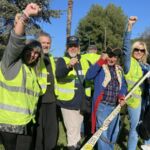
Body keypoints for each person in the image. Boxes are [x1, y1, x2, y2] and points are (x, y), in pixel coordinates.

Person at [0, 3, 41, 150]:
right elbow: (16, 41)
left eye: (37, 53)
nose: (33, 55)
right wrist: (26, 15)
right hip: (9, 125)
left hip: (26, 123)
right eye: (30, 50)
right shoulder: (10, 63)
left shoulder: (31, 72)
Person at [85, 47, 127, 150]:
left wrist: (121, 96)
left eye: (114, 57)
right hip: (102, 106)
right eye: (110, 56)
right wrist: (101, 60)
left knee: (113, 133)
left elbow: (123, 86)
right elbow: (88, 76)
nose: (112, 59)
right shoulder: (100, 67)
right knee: (103, 134)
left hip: (115, 107)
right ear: (106, 56)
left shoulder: (119, 70)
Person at [56, 35, 91, 150]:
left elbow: (93, 73)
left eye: (75, 46)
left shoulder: (85, 60)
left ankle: (76, 147)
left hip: (82, 103)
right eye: (70, 46)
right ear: (67, 48)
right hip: (68, 104)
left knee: (77, 132)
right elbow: (59, 74)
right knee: (72, 133)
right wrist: (69, 66)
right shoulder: (62, 60)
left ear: (79, 47)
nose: (73, 48)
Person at [122, 16, 150, 150]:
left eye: (142, 50)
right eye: (136, 49)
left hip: (147, 100)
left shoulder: (147, 66)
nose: (139, 52)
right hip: (134, 100)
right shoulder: (129, 62)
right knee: (134, 129)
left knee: (146, 124)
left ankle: (147, 145)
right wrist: (129, 27)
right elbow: (125, 48)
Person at [34, 32, 58, 150]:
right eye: (43, 42)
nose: (46, 45)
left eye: (48, 43)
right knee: (38, 135)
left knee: (51, 133)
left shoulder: (52, 59)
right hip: (38, 101)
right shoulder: (33, 58)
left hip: (52, 101)